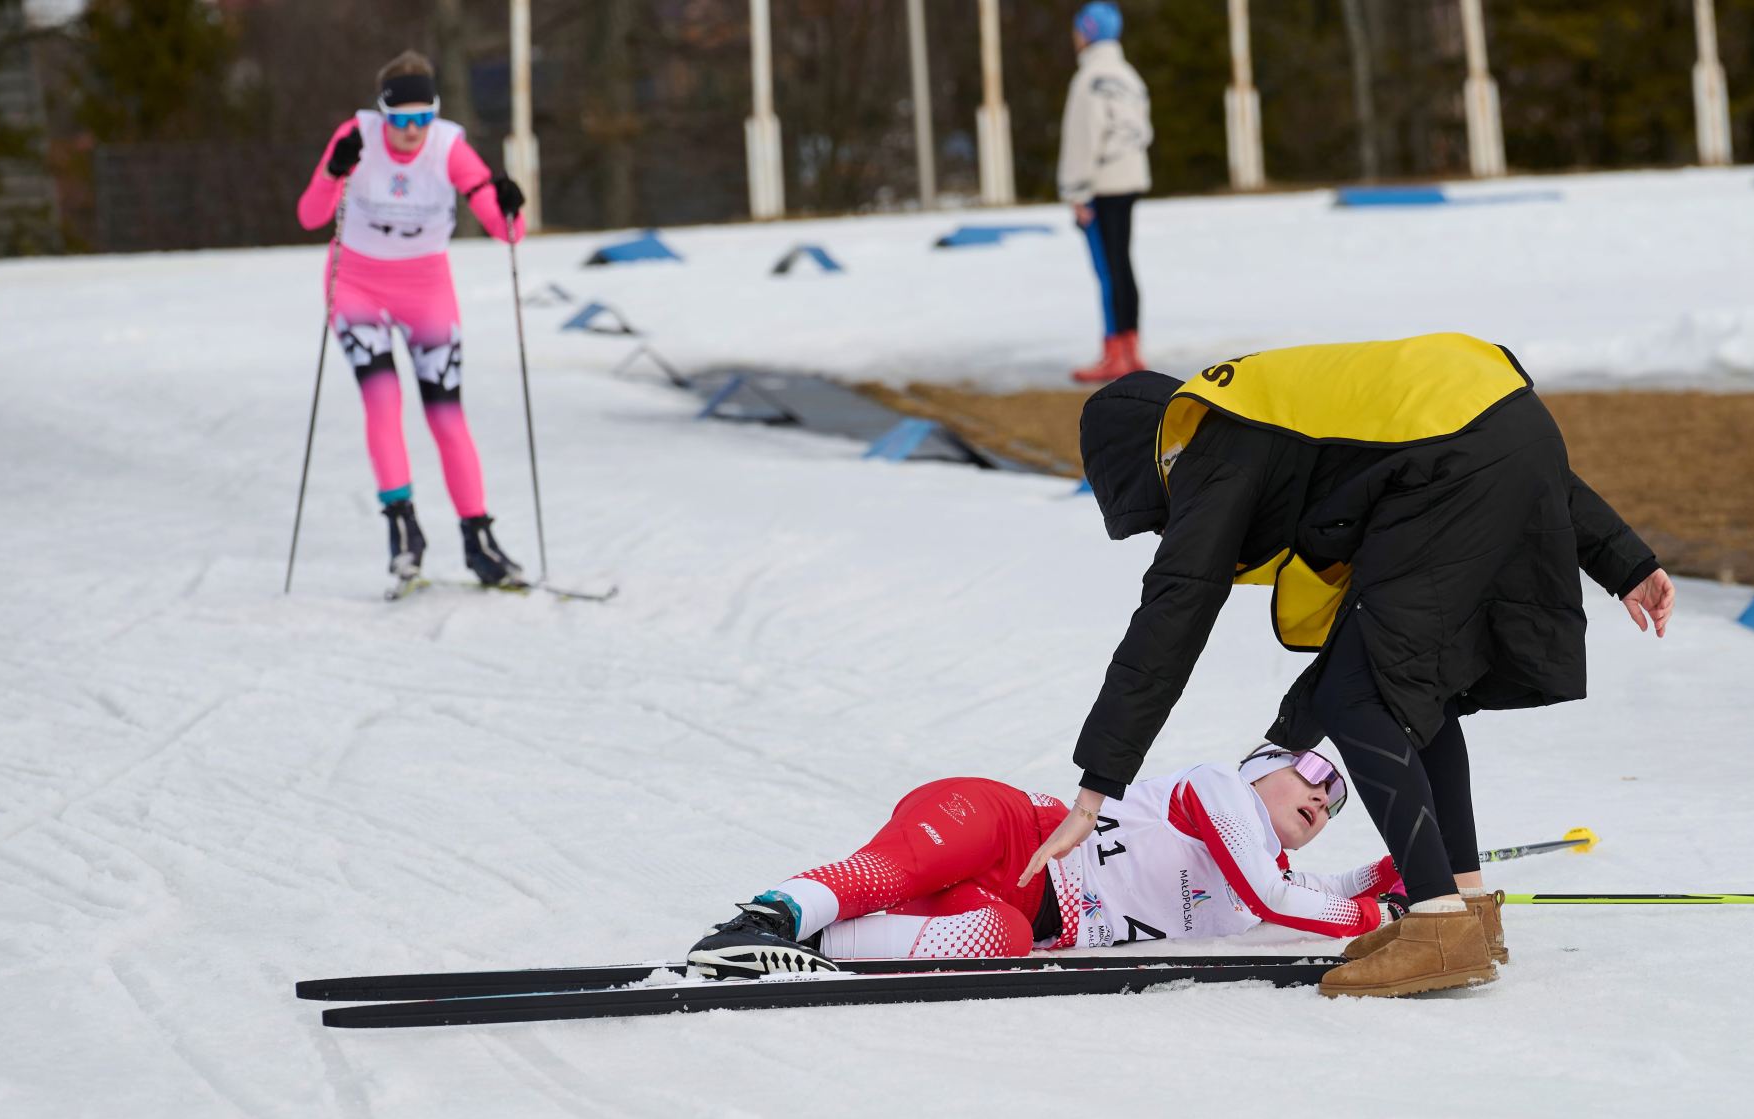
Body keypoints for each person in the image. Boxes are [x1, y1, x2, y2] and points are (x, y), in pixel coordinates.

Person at [1018, 333, 1675, 999]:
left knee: (1359, 695)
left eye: (1160, 518)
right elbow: (1505, 441)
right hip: (1494, 419)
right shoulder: (1258, 419)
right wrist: (1625, 561)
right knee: (1418, 691)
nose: (1170, 527)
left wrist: (1097, 788)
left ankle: (1439, 923)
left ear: (1152, 464)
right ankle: (1468, 909)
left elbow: (1170, 618)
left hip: (1451, 466)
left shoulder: (1213, 452)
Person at [687, 745, 1413, 980]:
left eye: (1335, 802)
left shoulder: (1266, 872)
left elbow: (1325, 891)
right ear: (1261, 766)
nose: (1322, 796)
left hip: (1028, 914)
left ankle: (810, 946)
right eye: (1314, 772)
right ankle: (767, 917)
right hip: (1009, 830)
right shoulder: (1218, 789)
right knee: (895, 871)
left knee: (999, 939)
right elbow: (1280, 901)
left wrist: (1407, 877)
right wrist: (1372, 914)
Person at [296, 50, 527, 588]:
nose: (412, 131)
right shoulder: (356, 137)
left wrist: (510, 204)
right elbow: (310, 216)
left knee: (446, 416)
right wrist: (333, 172)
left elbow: (507, 231)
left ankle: (479, 540)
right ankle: (403, 532)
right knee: (383, 401)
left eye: (424, 117)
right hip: (356, 286)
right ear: (383, 113)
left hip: (426, 292)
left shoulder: (448, 146)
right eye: (401, 119)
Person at [1058, 2, 1153, 384]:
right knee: (1123, 265)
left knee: (1108, 270)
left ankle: (1114, 352)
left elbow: (1082, 139)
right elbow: (1143, 130)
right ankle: (1131, 349)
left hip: (1100, 186)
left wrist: (1076, 190)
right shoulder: (1129, 76)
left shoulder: (1089, 80)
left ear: (1087, 33)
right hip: (1129, 180)